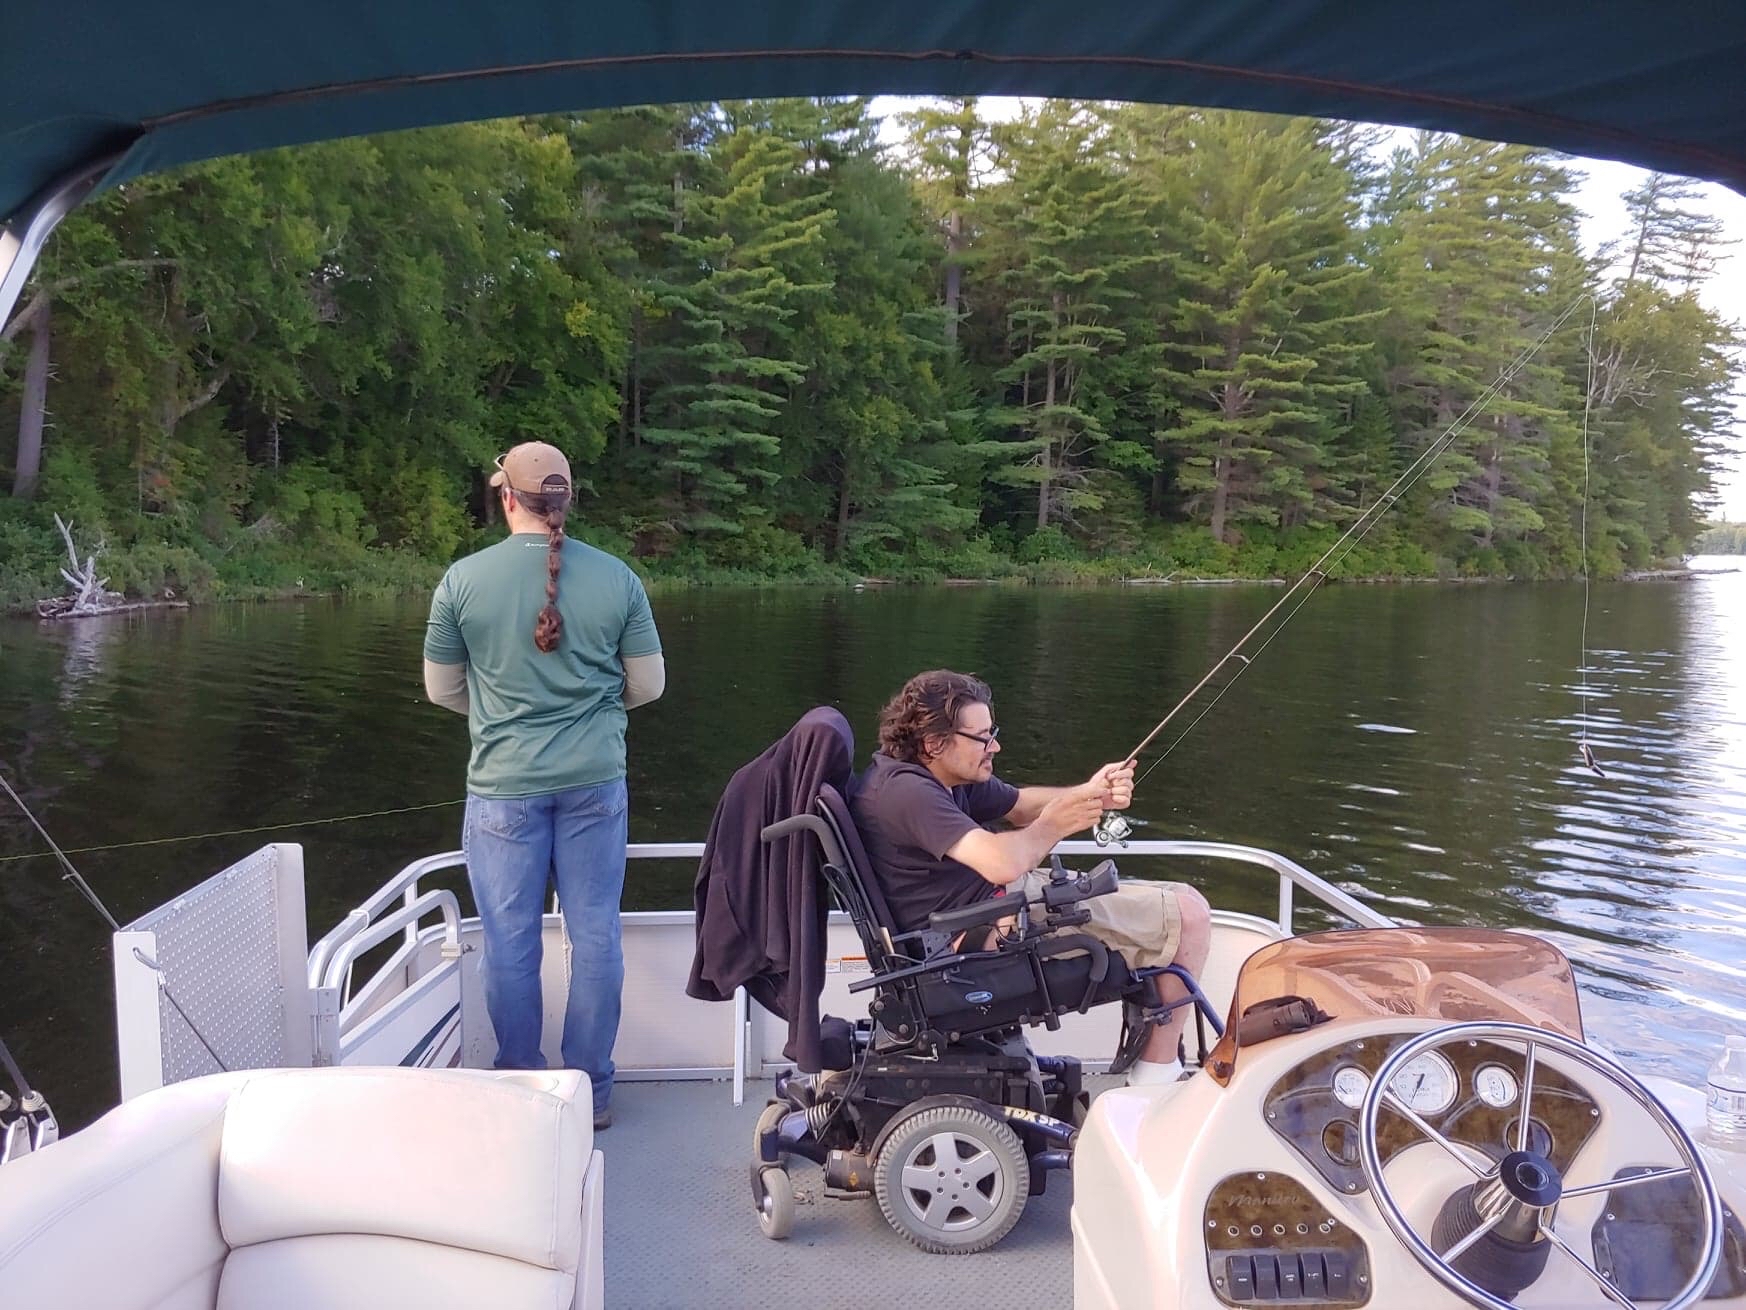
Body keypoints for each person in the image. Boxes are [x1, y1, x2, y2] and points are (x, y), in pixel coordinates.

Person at [423, 441, 665, 1130]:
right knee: (596, 938)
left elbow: (442, 690)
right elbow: (647, 685)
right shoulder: (618, 579)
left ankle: (523, 1088)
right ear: (567, 499)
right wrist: (587, 710)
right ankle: (591, 1091)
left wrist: (504, 714)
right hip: (594, 783)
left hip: (502, 788)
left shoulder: (462, 581)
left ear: (507, 498)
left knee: (509, 942)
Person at [850, 669, 1211, 1085]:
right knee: (1189, 916)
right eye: (982, 737)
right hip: (978, 933)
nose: (995, 746)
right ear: (934, 743)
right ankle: (1156, 1079)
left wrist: (1090, 793)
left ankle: (1155, 1064)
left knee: (1183, 901)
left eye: (993, 732)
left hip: (990, 908)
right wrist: (1055, 825)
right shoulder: (908, 793)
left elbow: (1020, 806)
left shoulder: (937, 774)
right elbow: (1001, 863)